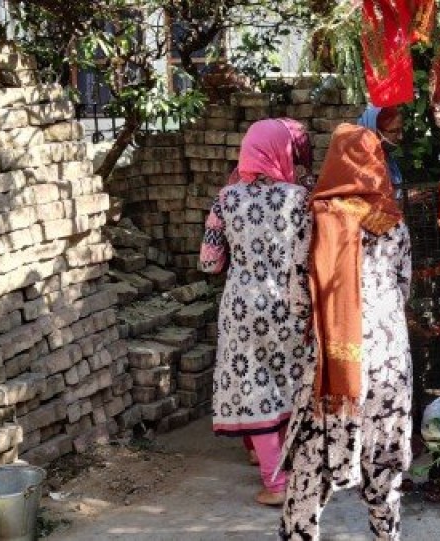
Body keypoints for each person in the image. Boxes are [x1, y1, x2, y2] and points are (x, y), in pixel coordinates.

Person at [279, 123, 413, 540]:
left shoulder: (313, 219)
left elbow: (297, 293)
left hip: (333, 359)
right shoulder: (391, 220)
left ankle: (300, 534)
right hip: (389, 359)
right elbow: (402, 285)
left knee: (312, 462)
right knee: (384, 460)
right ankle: (386, 534)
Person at [200, 118, 314, 507]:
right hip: (291, 304)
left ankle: (275, 482)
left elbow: (209, 262)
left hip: (242, 307)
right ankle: (301, 467)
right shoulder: (299, 198)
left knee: (255, 386)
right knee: (293, 382)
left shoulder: (226, 199)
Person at [357, 105, 405, 187]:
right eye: (394, 131)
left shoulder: (388, 160)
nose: (401, 137)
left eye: (401, 130)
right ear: (374, 130)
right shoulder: (361, 165)